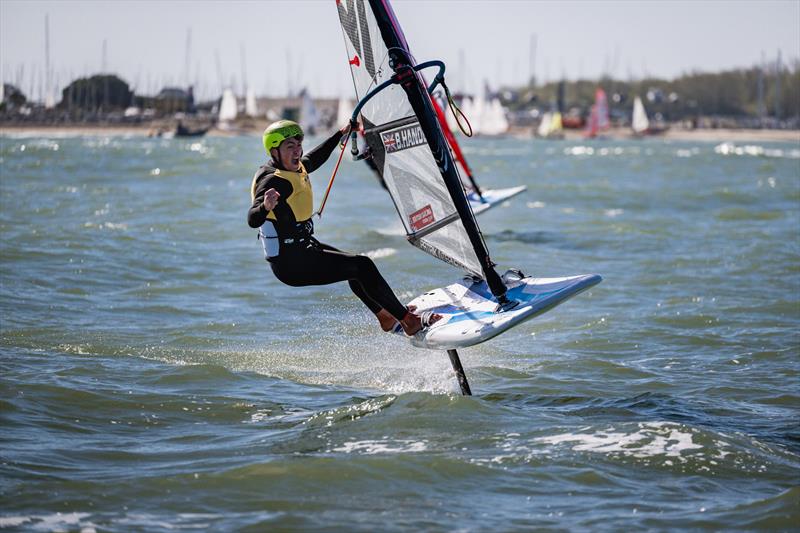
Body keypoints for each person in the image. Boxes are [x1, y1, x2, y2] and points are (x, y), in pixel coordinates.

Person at [247, 120, 439, 335]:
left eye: (298, 145)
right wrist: (265, 206)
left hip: (304, 248)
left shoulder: (292, 166)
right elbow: (253, 219)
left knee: (355, 269)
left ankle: (386, 316)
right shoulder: (273, 181)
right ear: (274, 151)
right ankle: (408, 320)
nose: (297, 151)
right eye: (290, 146)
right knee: (362, 266)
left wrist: (340, 134)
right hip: (291, 263)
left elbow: (313, 159)